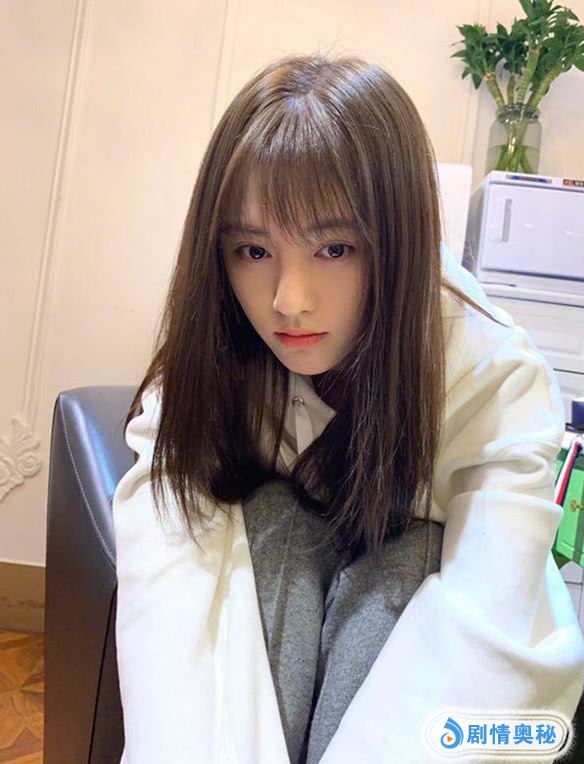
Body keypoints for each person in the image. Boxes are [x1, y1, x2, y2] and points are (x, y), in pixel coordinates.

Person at [112, 53, 584, 763]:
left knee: (412, 556)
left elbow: (490, 611)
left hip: (420, 615)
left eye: (334, 248)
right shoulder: (215, 355)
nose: (288, 301)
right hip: (287, 576)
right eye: (252, 250)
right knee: (268, 525)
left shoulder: (489, 375)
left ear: (398, 243)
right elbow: (169, 565)